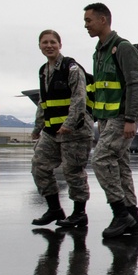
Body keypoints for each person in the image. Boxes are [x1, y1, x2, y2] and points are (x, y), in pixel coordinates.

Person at [85, 3, 138, 239]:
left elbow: (135, 83)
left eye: (89, 20)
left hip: (122, 117)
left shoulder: (123, 48)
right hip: (106, 118)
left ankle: (120, 214)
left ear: (103, 20)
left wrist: (130, 118)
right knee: (120, 167)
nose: (86, 25)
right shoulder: (99, 51)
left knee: (100, 159)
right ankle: (133, 220)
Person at [30, 30, 94, 227]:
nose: (49, 46)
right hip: (51, 130)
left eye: (52, 42)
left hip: (75, 131)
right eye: (44, 43)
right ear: (39, 46)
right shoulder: (43, 70)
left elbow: (79, 98)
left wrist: (69, 124)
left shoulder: (72, 68)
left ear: (60, 45)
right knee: (39, 166)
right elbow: (44, 102)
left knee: (73, 171)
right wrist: (37, 127)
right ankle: (54, 209)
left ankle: (79, 214)